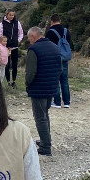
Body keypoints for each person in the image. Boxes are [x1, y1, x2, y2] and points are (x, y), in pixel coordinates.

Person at [23, 26, 61, 157]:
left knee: (40, 117)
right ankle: (46, 139)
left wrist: (27, 83)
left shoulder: (34, 49)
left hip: (38, 88)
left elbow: (31, 72)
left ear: (33, 37)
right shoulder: (55, 47)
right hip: (51, 87)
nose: (29, 41)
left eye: (29, 39)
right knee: (45, 114)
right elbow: (59, 68)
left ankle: (45, 146)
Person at [45, 14, 71, 109]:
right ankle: (67, 102)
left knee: (55, 80)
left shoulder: (50, 32)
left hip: (54, 58)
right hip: (64, 57)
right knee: (64, 80)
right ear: (60, 20)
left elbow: (48, 46)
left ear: (51, 21)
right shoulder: (66, 31)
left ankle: (57, 102)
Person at [0, 11, 23, 86]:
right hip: (5, 48)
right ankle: (8, 81)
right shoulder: (2, 23)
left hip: (14, 47)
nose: (11, 16)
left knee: (14, 64)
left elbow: (21, 33)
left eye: (13, 15)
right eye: (10, 15)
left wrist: (18, 40)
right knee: (6, 64)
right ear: (6, 15)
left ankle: (14, 81)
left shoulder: (17, 23)